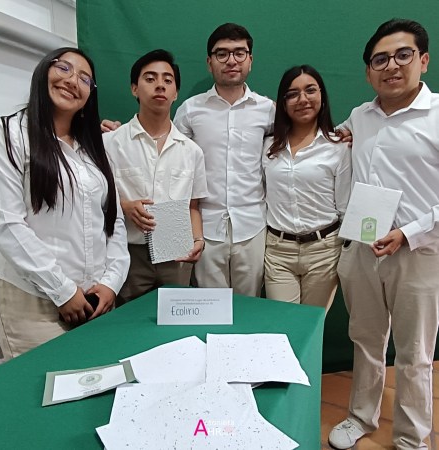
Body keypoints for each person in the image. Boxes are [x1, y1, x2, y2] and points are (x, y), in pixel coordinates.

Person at [329, 19, 439, 450]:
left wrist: (408, 233)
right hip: (362, 246)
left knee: (414, 353)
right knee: (366, 340)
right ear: (368, 71)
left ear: (423, 60)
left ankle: (412, 438)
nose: (391, 66)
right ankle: (361, 416)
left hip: (418, 253)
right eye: (380, 60)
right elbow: (334, 139)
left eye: (403, 55)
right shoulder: (361, 115)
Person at [0, 47, 130, 359]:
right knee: (42, 384)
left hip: (94, 299)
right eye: (64, 68)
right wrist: (63, 290)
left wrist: (111, 282)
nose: (72, 80)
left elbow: (113, 220)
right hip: (33, 300)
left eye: (84, 78)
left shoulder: (95, 148)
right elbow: (6, 224)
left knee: (95, 378)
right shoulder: (7, 133)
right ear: (43, 71)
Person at [173, 23, 275, 297]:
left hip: (253, 226)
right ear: (210, 62)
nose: (231, 60)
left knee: (250, 307)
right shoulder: (190, 110)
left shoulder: (268, 110)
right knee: (209, 307)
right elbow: (172, 164)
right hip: (204, 227)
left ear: (250, 60)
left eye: (239, 53)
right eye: (222, 54)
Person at [103, 50, 208, 303]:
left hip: (175, 251)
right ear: (134, 89)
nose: (160, 85)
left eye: (167, 80)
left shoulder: (191, 151)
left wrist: (198, 239)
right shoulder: (111, 143)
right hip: (128, 251)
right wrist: (124, 206)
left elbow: (193, 206)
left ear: (175, 93)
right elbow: (95, 199)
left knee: (177, 318)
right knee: (129, 319)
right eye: (150, 79)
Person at [262, 65, 351, 310]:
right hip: (278, 251)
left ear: (322, 96)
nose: (302, 99)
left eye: (310, 90)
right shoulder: (267, 146)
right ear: (283, 103)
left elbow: (345, 206)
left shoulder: (339, 146)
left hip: (324, 251)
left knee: (312, 325)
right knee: (283, 324)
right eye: (292, 94)